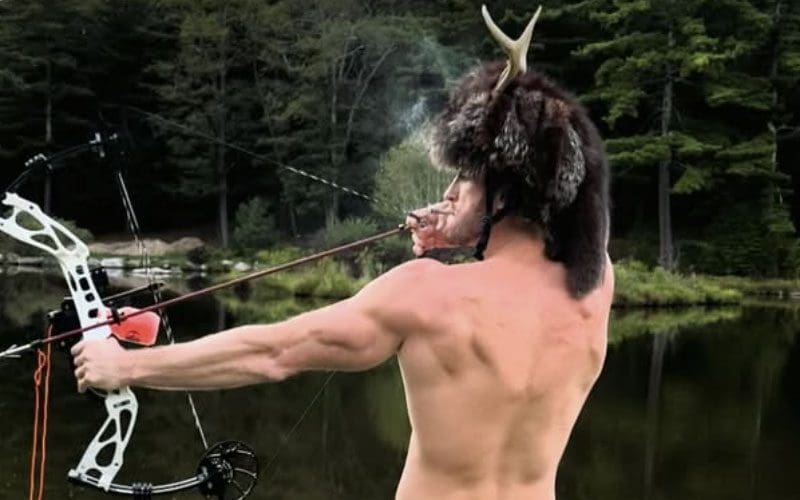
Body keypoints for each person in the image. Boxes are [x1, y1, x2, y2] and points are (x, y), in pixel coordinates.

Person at [72, 6, 613, 499]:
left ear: (503, 192)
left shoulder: (426, 294)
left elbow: (272, 352)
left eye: (464, 179)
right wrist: (467, 229)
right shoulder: (595, 286)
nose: (449, 192)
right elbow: (556, 237)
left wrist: (125, 366)